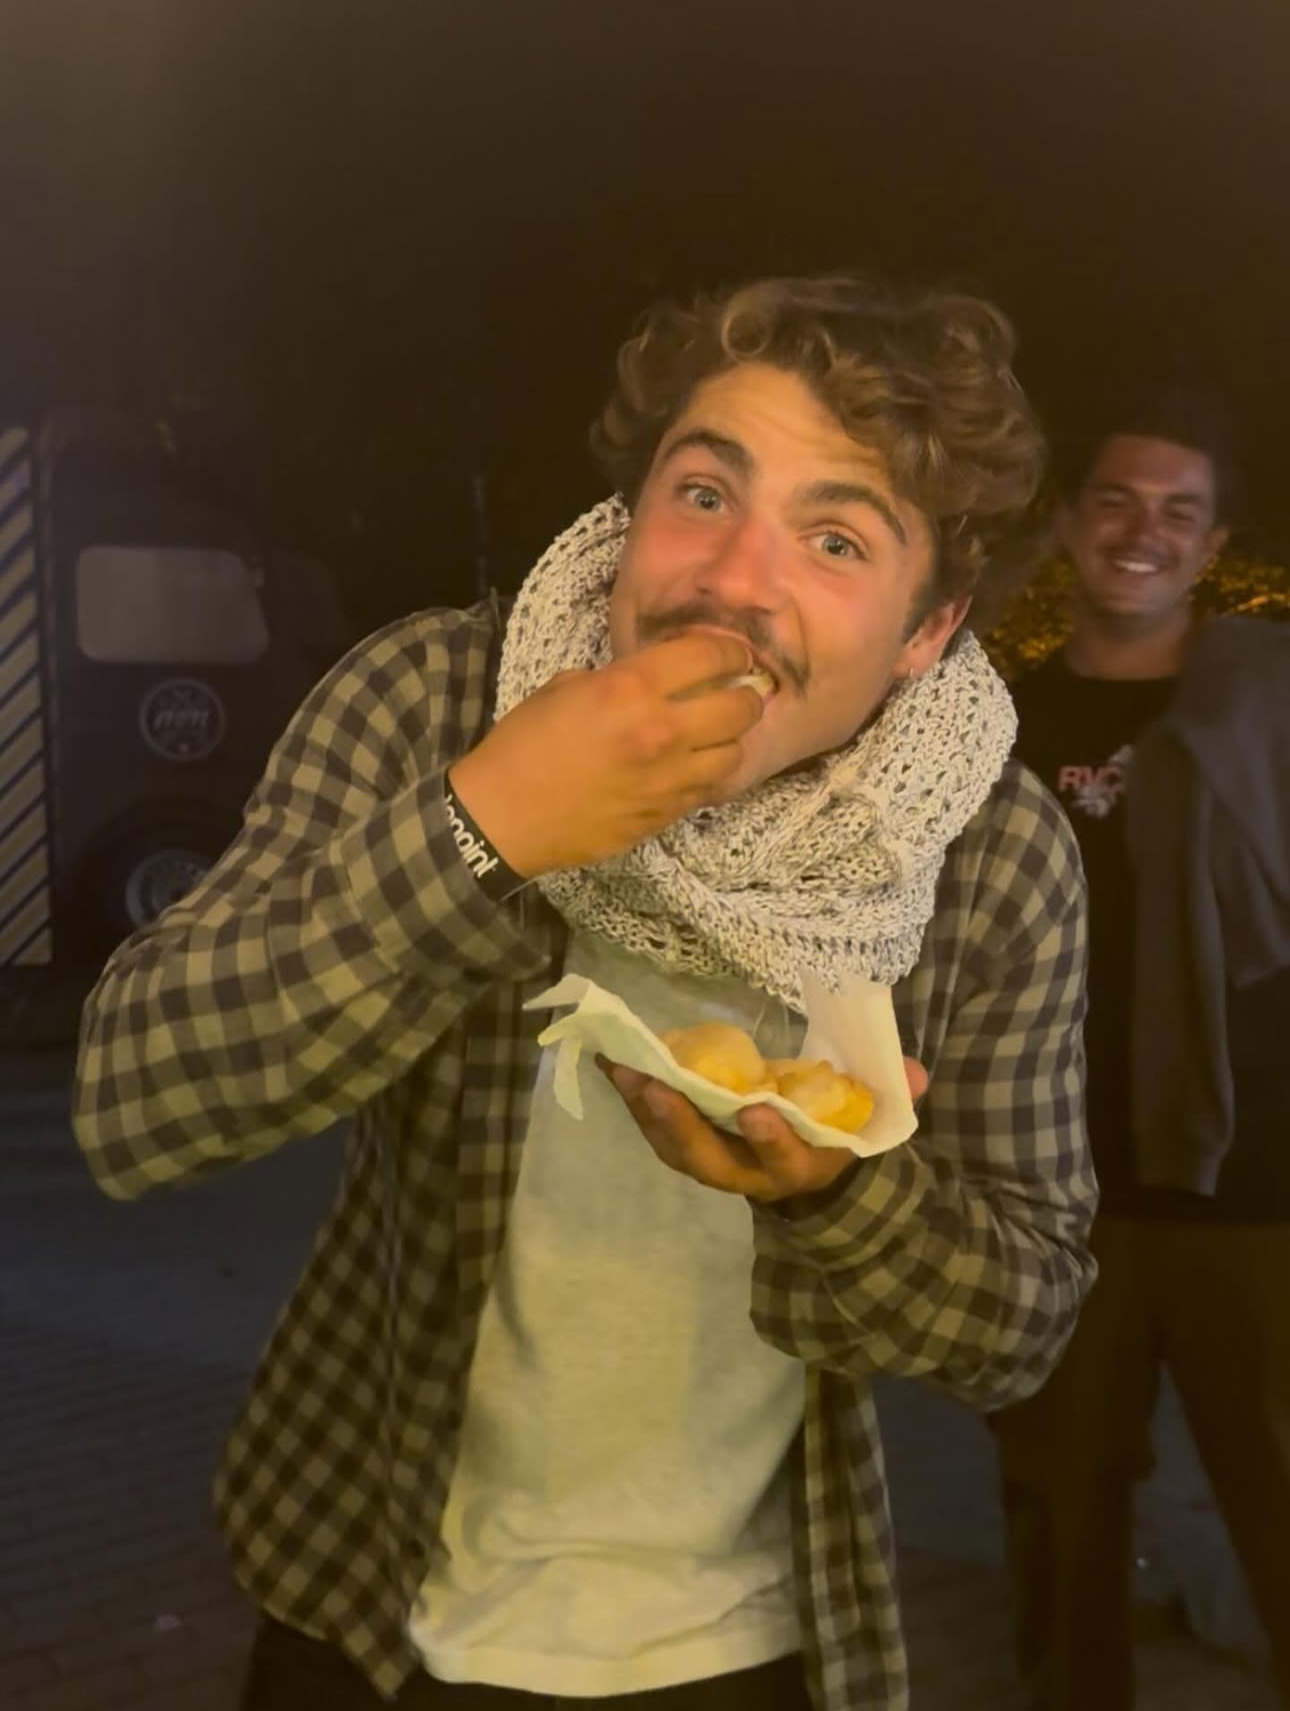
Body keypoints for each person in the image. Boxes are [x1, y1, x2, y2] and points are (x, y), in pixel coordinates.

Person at [72, 274, 1096, 1711]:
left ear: (926, 631)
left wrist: (839, 1198)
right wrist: (485, 825)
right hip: (365, 1590)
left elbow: (1021, 1329)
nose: (732, 579)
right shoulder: (436, 701)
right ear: (628, 521)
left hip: (753, 1640)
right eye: (702, 494)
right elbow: (134, 1108)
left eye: (836, 538)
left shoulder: (990, 851)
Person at [993, 387, 1290, 1708]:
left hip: (1256, 1190)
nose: (1141, 531)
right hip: (1058, 1196)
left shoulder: (1265, 711)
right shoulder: (995, 731)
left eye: (1177, 511)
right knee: (1059, 1515)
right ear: (1067, 521)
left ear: (1210, 543)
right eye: (1114, 500)